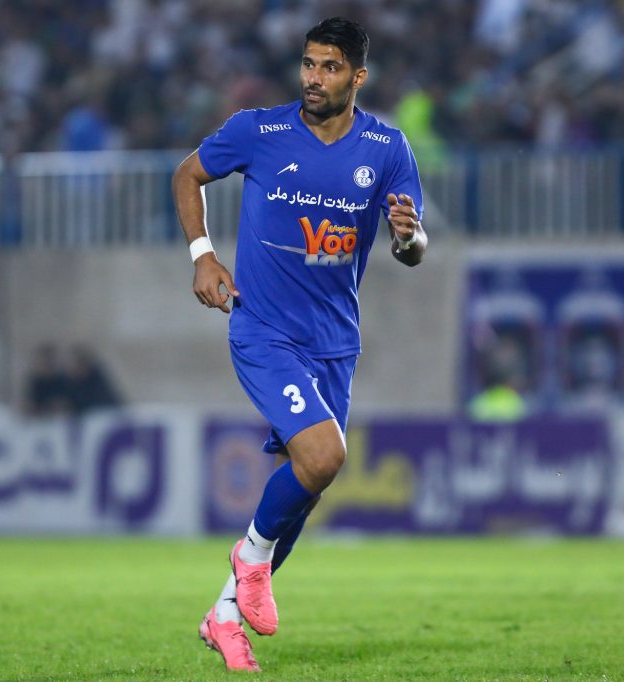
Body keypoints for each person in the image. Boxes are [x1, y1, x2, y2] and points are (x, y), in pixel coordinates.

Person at [171, 17, 427, 673]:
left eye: (330, 67)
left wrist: (407, 237)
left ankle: (224, 614)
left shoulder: (387, 148)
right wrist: (203, 256)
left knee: (306, 486)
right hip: (264, 330)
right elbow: (187, 175)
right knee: (324, 455)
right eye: (309, 64)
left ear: (358, 77)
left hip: (334, 341)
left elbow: (414, 247)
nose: (314, 78)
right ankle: (251, 559)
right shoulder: (258, 131)